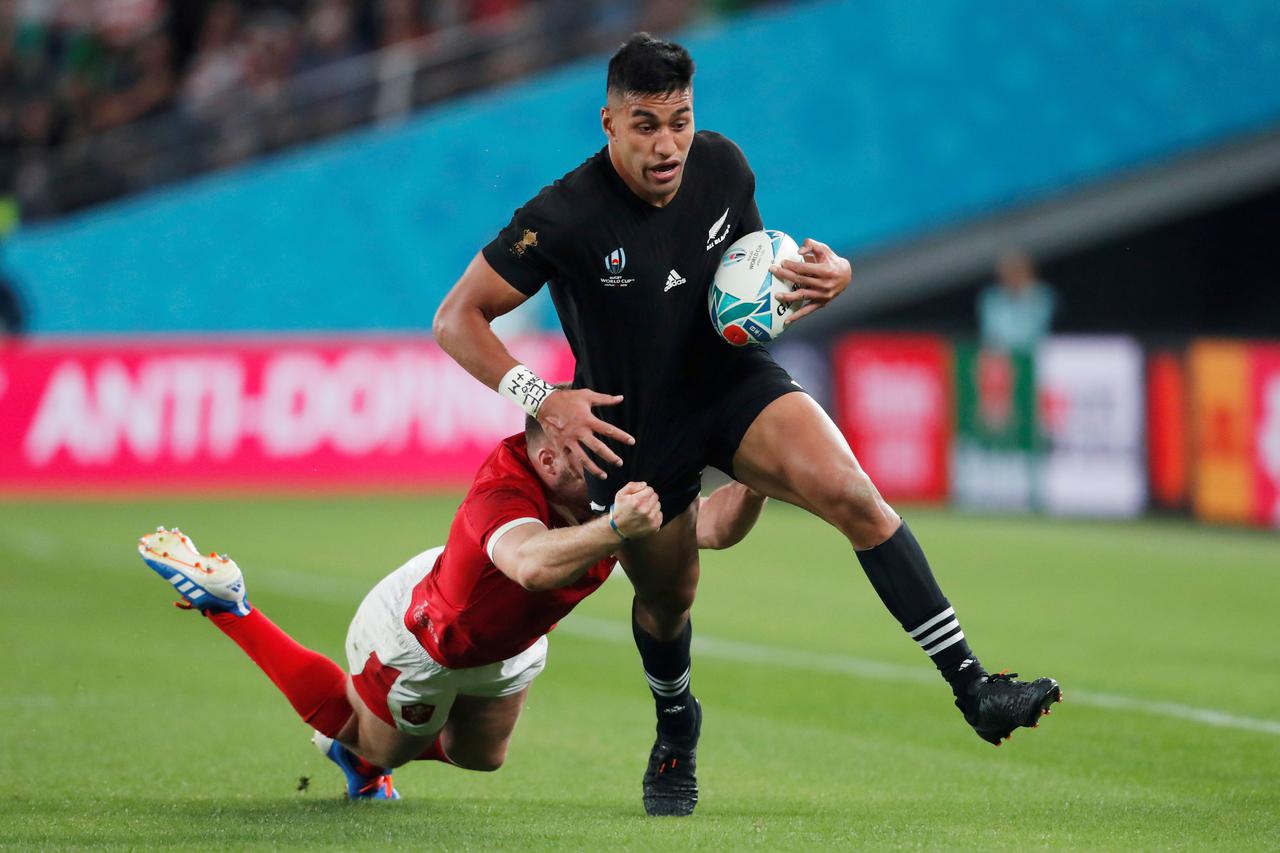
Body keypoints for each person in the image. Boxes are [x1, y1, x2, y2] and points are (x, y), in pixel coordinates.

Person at [432, 33, 1062, 817]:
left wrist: (833, 277)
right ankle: (675, 727)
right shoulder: (563, 215)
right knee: (670, 598)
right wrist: (540, 396)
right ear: (608, 122)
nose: (668, 145)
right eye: (646, 124)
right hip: (635, 432)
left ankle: (975, 687)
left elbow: (759, 275)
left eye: (681, 120)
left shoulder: (724, 167)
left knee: (853, 492)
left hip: (731, 385)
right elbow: (457, 318)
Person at [137, 414, 767, 800]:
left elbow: (708, 527)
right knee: (376, 748)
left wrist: (759, 476)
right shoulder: (505, 486)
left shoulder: (606, 486)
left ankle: (379, 744)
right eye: (593, 448)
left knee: (480, 757)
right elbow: (531, 564)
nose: (613, 459)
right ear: (548, 458)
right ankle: (233, 608)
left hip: (508, 645)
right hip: (427, 635)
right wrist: (620, 530)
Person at [978, 248, 1057, 353]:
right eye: (1008, 269)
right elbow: (992, 332)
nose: (1013, 274)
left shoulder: (1042, 295)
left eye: (1017, 269)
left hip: (1033, 355)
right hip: (1002, 357)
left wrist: (1025, 291)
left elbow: (1034, 327)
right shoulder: (991, 297)